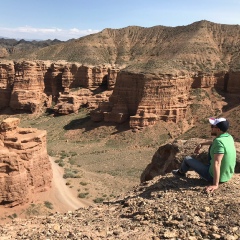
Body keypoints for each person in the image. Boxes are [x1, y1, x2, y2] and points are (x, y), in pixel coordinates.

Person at [172, 117, 236, 192]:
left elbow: (217, 163)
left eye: (212, 126)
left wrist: (215, 185)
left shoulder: (218, 142)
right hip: (227, 175)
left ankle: (180, 173)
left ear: (218, 129)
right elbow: (214, 142)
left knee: (187, 159)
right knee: (210, 155)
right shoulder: (228, 137)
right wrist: (202, 143)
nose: (211, 128)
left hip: (213, 177)